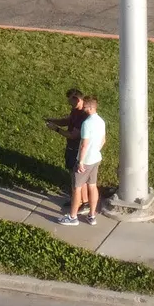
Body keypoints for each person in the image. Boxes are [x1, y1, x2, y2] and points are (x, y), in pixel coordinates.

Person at [59, 94, 106, 225]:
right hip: (96, 158)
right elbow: (103, 140)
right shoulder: (101, 121)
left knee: (77, 188)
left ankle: (73, 217)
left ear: (90, 108)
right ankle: (92, 216)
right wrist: (95, 151)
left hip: (85, 161)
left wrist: (80, 161)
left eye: (85, 106)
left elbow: (84, 144)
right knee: (92, 186)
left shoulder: (87, 123)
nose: (83, 108)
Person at [45, 89, 86, 217]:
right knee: (73, 175)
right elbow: (68, 121)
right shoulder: (75, 110)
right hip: (71, 148)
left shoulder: (84, 115)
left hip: (77, 149)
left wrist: (56, 129)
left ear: (77, 100)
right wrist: (54, 120)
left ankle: (84, 202)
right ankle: (77, 199)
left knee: (79, 178)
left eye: (70, 102)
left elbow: (73, 135)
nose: (69, 104)